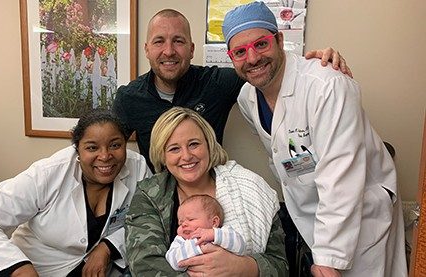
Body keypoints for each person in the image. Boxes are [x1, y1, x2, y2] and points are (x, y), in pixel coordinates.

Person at [222, 2, 407, 276]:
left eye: (261, 44)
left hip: (362, 215)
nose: (252, 58)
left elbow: (341, 176)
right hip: (311, 215)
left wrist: (329, 256)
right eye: (240, 51)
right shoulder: (247, 99)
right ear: (231, 57)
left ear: (280, 40)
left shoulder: (327, 85)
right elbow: (284, 155)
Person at [113, 8, 352, 171]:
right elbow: (109, 148)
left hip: (212, 199)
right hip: (159, 203)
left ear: (192, 48)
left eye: (178, 41)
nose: (169, 51)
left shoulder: (216, 82)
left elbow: (265, 67)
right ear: (146, 49)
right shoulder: (129, 98)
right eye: (159, 41)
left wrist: (314, 62)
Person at [0, 109, 151, 276]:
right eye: (92, 147)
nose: (105, 156)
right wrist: (18, 267)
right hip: (40, 269)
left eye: (115, 145)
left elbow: (148, 219)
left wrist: (108, 246)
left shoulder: (138, 168)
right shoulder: (47, 174)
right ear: (78, 149)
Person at [125, 107, 287, 276]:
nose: (187, 156)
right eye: (174, 149)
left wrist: (242, 266)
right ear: (162, 155)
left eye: (194, 144)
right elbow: (144, 265)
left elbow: (281, 266)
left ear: (209, 145)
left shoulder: (249, 187)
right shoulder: (149, 194)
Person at [165, 194, 246, 271]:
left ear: (214, 222)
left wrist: (214, 235)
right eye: (180, 223)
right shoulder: (181, 241)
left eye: (191, 219)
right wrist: (198, 245)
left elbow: (241, 247)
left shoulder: (224, 233)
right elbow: (173, 262)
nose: (183, 225)